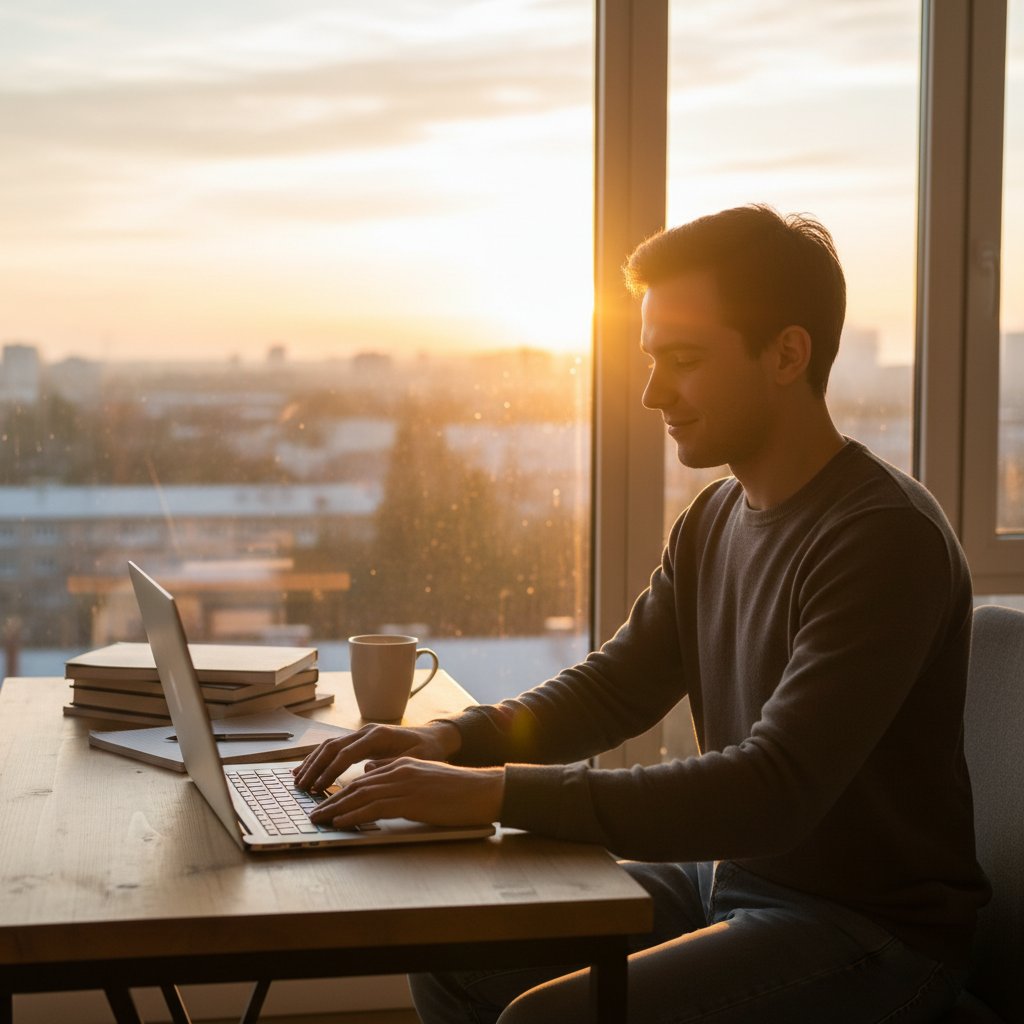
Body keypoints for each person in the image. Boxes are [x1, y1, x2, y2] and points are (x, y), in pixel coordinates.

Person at [294, 205, 990, 1023]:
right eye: (652, 359)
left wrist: (490, 794)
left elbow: (772, 790)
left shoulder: (882, 539)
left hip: (868, 933)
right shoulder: (714, 516)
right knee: (454, 957)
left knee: (543, 1020)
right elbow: (612, 690)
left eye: (685, 360)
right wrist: (452, 739)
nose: (654, 392)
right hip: (726, 880)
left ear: (787, 354)